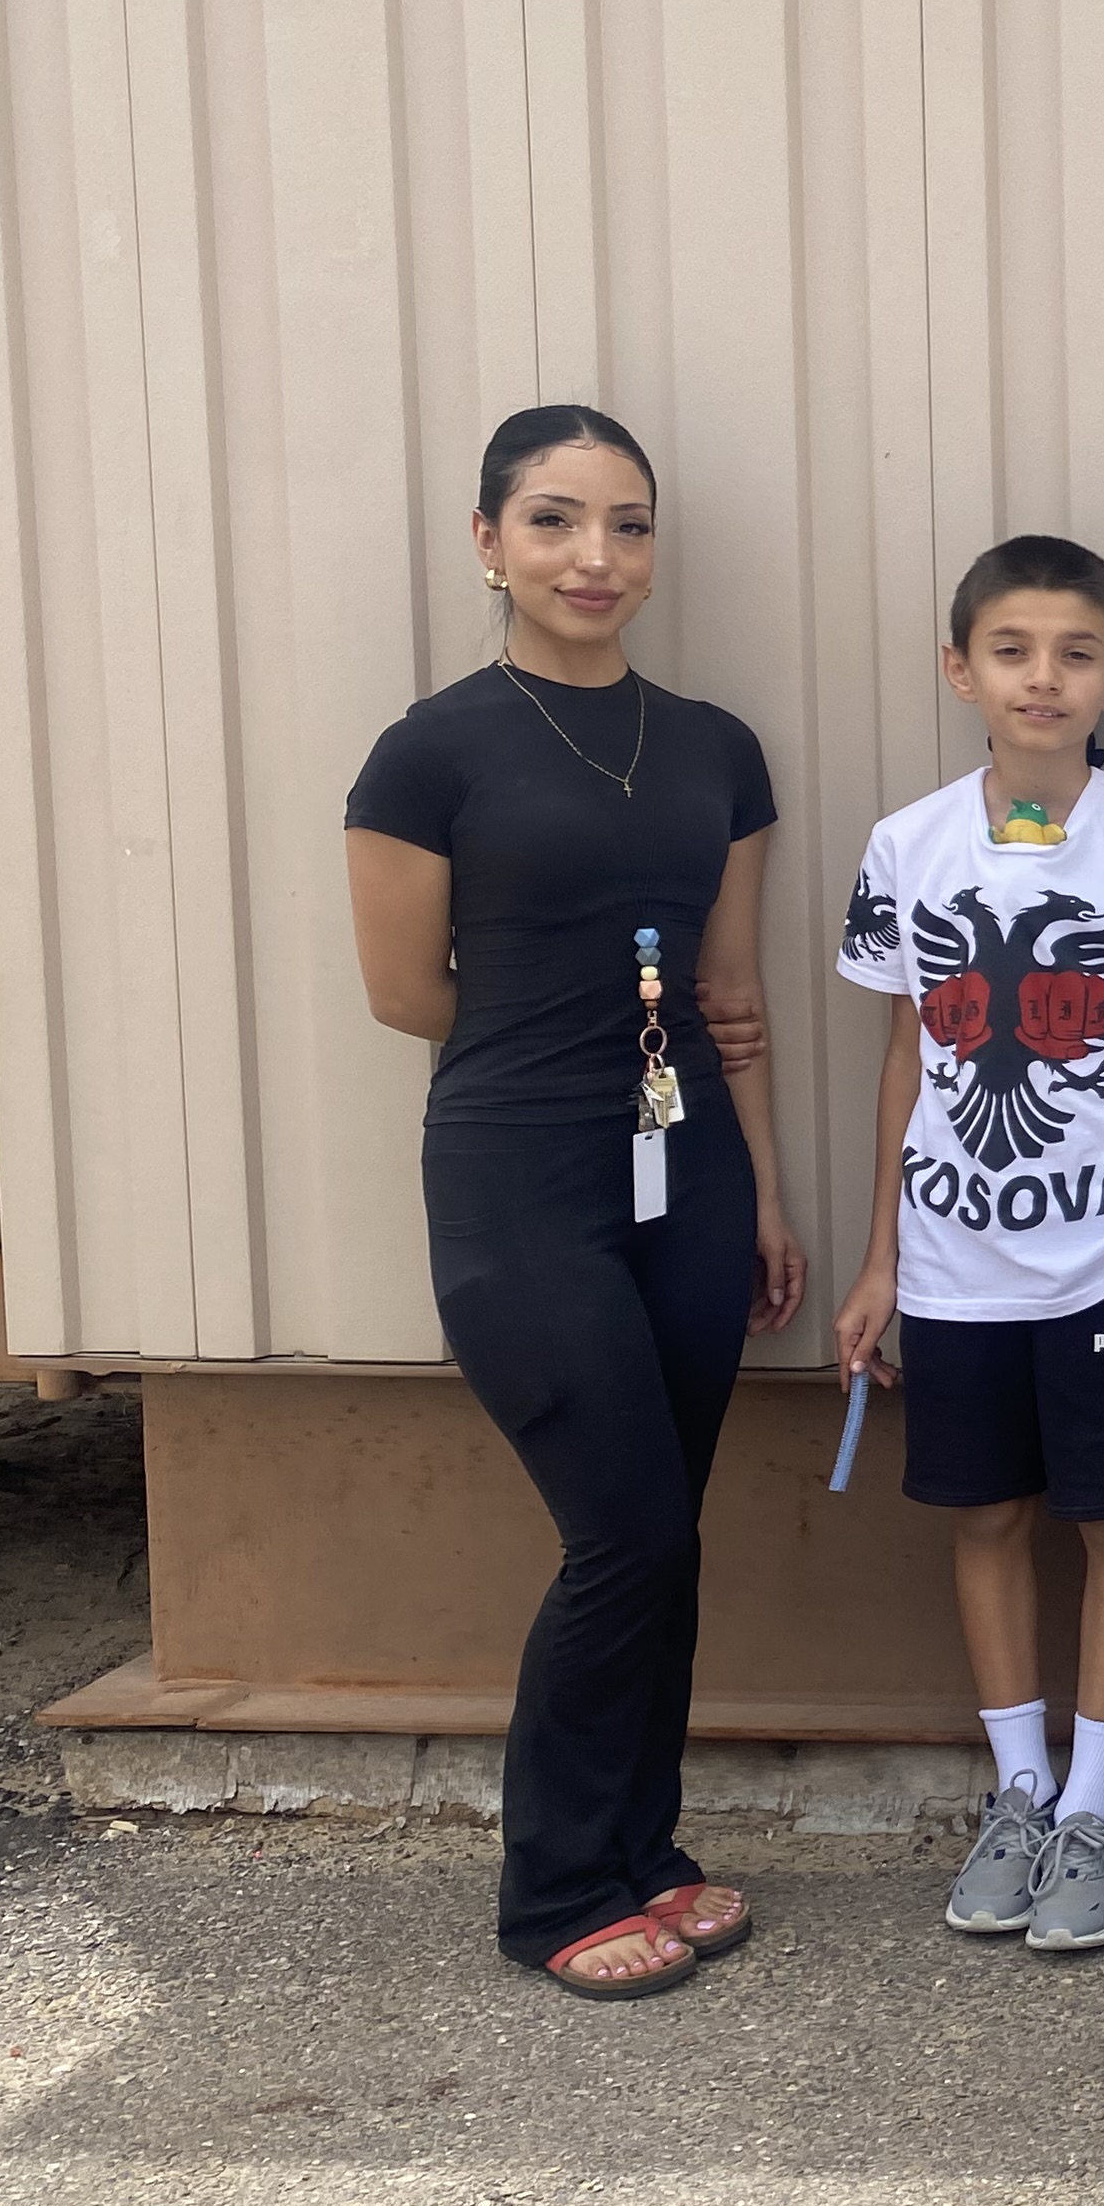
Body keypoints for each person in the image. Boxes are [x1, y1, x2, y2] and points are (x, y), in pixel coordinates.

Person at [341, 406, 805, 1999]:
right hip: (520, 1181)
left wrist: (762, 1194)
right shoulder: (432, 750)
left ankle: (646, 1856)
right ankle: (553, 1890)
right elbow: (409, 994)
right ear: (489, 542)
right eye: (552, 521)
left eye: (625, 524)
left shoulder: (717, 749)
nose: (593, 557)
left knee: (667, 1534)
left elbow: (733, 993)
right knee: (618, 1533)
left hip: (688, 1183)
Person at [830, 536, 1104, 1960]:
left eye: (1072, 653)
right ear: (960, 670)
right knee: (987, 1518)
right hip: (954, 1260)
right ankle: (1019, 1793)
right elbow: (902, 1060)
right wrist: (879, 1259)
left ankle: (1098, 1812)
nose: (1040, 678)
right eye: (1010, 650)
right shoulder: (906, 845)